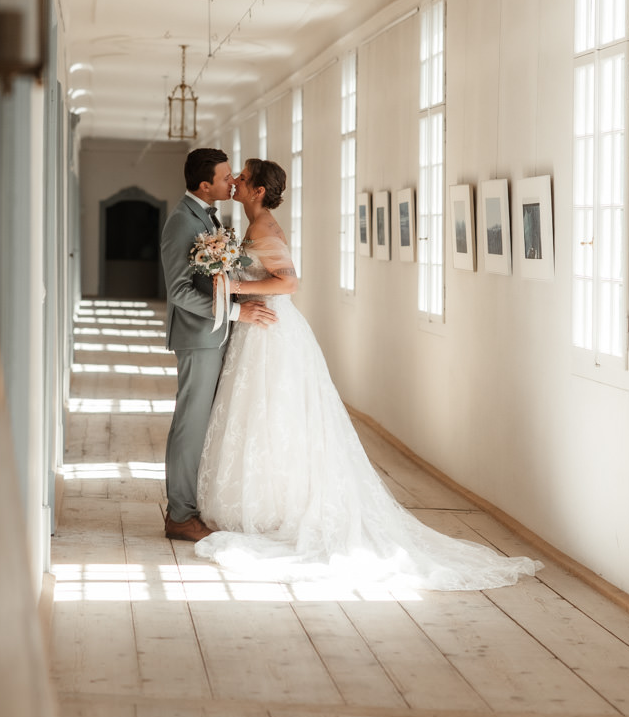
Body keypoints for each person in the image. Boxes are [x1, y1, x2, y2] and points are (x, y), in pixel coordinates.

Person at [195, 158, 539, 589]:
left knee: (275, 414)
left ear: (259, 191)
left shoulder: (263, 227)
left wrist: (234, 288)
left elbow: (288, 283)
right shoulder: (255, 224)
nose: (238, 183)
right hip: (259, 329)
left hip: (271, 331)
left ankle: (275, 505)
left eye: (243, 179)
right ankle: (265, 498)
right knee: (265, 417)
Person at [160, 148, 276, 542]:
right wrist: (235, 314)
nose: (233, 182)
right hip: (198, 337)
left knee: (205, 424)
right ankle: (179, 515)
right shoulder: (181, 222)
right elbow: (177, 292)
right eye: (226, 177)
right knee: (190, 426)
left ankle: (194, 505)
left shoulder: (207, 216)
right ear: (204, 184)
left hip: (216, 335)